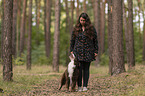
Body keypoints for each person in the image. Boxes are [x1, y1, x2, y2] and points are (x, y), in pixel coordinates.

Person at [70, 13, 98, 92]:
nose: (82, 22)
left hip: (88, 51)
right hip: (78, 51)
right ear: (79, 20)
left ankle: (85, 86)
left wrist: (96, 51)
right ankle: (79, 86)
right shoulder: (76, 29)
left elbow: (95, 40)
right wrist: (71, 50)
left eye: (84, 20)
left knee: (86, 69)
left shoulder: (91, 29)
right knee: (79, 69)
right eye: (81, 20)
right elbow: (72, 40)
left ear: (87, 21)